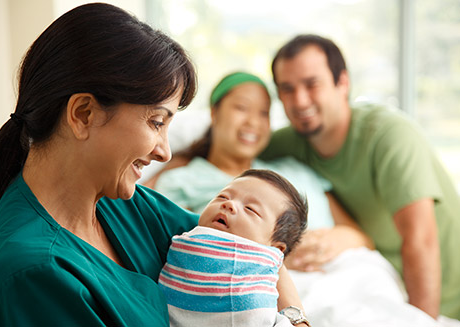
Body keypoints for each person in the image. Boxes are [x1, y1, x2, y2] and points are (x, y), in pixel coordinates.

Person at [0, 3, 201, 326]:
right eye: (157, 122)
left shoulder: (122, 204)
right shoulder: (30, 276)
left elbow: (250, 251)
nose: (164, 152)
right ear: (83, 114)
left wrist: (294, 320)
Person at [260, 34, 460, 320]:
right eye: (287, 89)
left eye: (312, 84)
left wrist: (422, 321)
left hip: (445, 297)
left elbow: (420, 238)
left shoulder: (389, 136)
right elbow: (227, 147)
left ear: (343, 82)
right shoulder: (289, 143)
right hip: (384, 289)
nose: (300, 100)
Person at [150, 71, 374, 271]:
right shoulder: (183, 181)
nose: (253, 123)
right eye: (241, 108)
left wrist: (335, 241)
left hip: (351, 277)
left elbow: (363, 237)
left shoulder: (295, 171)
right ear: (214, 112)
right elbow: (178, 253)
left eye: (264, 113)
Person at [159, 169, 310, 327]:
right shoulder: (187, 234)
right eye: (222, 197)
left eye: (250, 209)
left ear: (275, 249)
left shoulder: (266, 262)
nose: (228, 204)